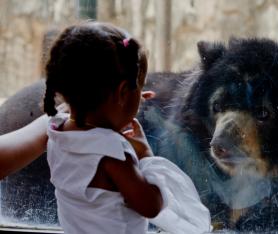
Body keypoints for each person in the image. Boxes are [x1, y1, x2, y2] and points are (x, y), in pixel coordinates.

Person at [41, 21, 211, 234]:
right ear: (122, 92)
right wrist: (145, 154)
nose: (141, 97)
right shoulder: (112, 155)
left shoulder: (56, 133)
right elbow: (151, 206)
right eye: (139, 88)